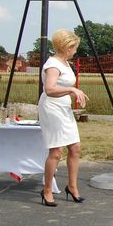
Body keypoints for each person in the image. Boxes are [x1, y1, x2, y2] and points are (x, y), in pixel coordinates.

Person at [37, 29, 89, 207]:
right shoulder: (53, 64)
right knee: (56, 151)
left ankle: (72, 187)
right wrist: (72, 90)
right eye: (74, 47)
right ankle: (47, 190)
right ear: (67, 47)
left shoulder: (66, 63)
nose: (76, 50)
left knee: (75, 148)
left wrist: (73, 92)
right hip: (52, 108)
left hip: (64, 108)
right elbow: (50, 90)